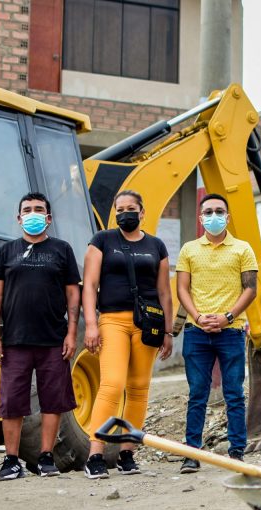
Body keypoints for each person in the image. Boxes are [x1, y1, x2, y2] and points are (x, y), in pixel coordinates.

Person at [0, 192, 81, 480]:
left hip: (53, 339)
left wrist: (72, 333)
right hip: (15, 340)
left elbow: (72, 294)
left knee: (53, 401)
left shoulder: (62, 250)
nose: (33, 214)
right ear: (18, 218)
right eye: (27, 209)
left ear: (49, 218)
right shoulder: (6, 252)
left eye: (39, 209)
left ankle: (45, 458)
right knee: (12, 402)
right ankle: (11, 460)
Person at [81, 190, 174, 479]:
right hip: (112, 320)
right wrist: (91, 324)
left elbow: (164, 292)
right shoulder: (102, 241)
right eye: (119, 209)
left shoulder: (156, 246)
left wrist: (169, 331)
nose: (125, 213)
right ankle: (95, 455)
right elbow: (89, 285)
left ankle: (126, 453)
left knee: (139, 387)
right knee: (112, 384)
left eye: (131, 208)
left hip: (147, 324)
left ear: (142, 212)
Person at [176, 193, 259, 472]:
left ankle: (237, 452)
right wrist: (198, 317)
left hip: (231, 331)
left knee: (234, 393)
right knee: (197, 393)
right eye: (208, 212)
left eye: (219, 211)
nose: (214, 216)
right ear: (201, 219)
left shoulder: (242, 249)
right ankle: (191, 453)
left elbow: (251, 288)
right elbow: (182, 289)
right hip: (196, 332)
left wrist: (227, 317)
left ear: (228, 216)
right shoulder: (188, 249)